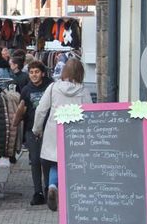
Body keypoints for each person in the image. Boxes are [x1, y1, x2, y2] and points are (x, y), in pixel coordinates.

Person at [33, 59, 91, 212]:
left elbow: (41, 110)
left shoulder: (53, 88)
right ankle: (72, 196)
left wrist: (37, 129)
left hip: (55, 131)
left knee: (55, 163)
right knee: (73, 165)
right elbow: (90, 113)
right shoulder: (83, 91)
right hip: (76, 133)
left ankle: (52, 186)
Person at [14, 61, 52, 206]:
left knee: (47, 161)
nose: (34, 75)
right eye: (31, 72)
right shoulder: (26, 90)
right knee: (35, 161)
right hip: (32, 130)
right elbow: (22, 109)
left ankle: (49, 189)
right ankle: (38, 192)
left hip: (49, 129)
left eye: (37, 72)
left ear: (42, 73)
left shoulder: (50, 86)